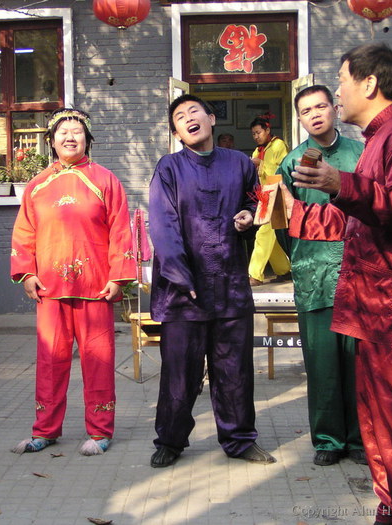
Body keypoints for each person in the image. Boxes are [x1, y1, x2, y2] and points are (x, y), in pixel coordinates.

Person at [283, 43, 392, 525]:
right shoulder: (378, 139)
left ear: (370, 83)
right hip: (373, 305)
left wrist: (341, 185)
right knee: (378, 424)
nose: (337, 93)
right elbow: (365, 215)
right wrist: (313, 206)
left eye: (341, 81)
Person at [148, 94, 275, 468]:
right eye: (179, 116)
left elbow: (257, 203)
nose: (188, 118)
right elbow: (163, 224)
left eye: (194, 111)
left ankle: (239, 439)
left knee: (234, 371)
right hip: (184, 292)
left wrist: (249, 217)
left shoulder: (240, 164)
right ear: (176, 133)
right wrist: (179, 275)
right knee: (179, 373)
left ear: (211, 119)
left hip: (230, 286)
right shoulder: (169, 168)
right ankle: (170, 440)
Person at [10, 108, 135, 456]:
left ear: (88, 139)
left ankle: (100, 430)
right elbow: (24, 232)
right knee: (50, 362)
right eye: (62, 132)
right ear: (51, 141)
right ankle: (45, 430)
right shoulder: (37, 186)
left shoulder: (106, 180)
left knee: (98, 362)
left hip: (96, 289)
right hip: (50, 290)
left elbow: (121, 231)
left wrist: (118, 277)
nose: (69, 136)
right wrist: (27, 273)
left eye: (77, 131)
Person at [278, 85, 365, 467]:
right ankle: (328, 440)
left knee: (358, 361)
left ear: (333, 108)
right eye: (306, 110)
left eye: (320, 106)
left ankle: (360, 438)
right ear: (299, 119)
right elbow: (282, 224)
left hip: (357, 271)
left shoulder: (360, 154)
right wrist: (300, 259)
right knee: (322, 362)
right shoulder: (291, 163)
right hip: (313, 274)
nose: (314, 115)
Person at [248, 115, 291, 286]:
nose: (256, 136)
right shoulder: (257, 151)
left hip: (278, 192)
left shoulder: (278, 145)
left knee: (263, 233)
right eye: (253, 134)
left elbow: (284, 169)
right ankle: (284, 271)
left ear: (267, 130)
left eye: (258, 132)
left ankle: (255, 275)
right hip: (265, 194)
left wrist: (262, 164)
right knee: (270, 235)